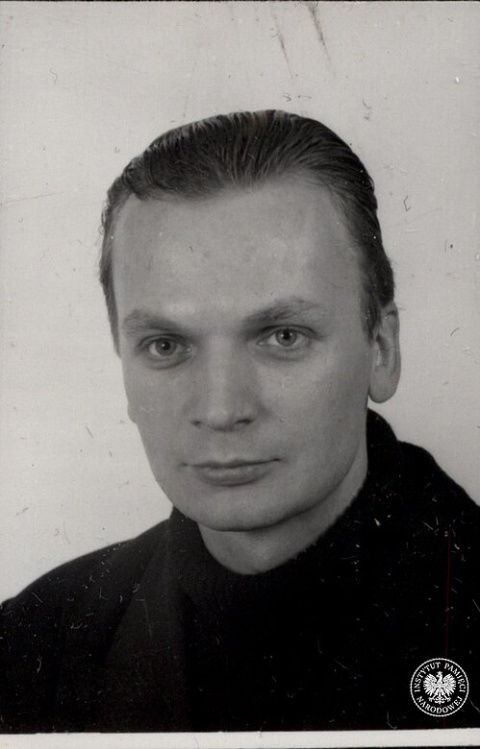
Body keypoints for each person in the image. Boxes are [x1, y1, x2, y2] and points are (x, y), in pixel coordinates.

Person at [1, 110, 479, 734]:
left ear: (381, 351)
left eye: (283, 336)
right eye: (166, 346)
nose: (222, 410)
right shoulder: (30, 646)